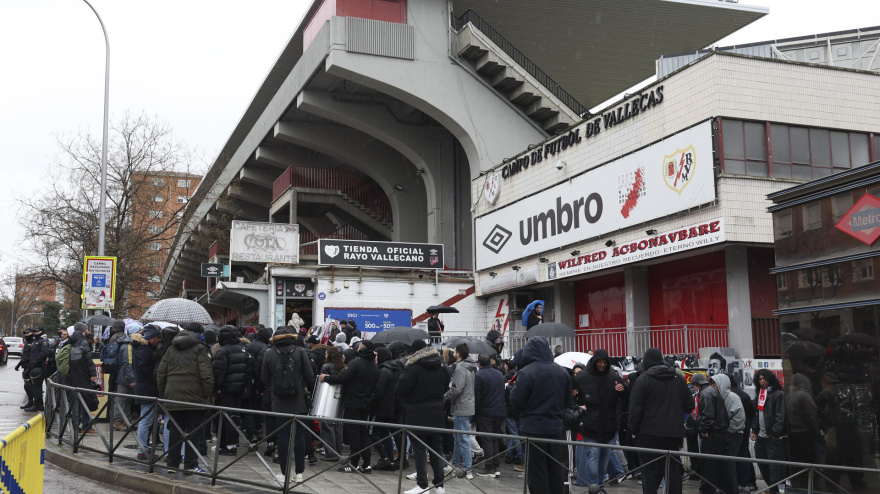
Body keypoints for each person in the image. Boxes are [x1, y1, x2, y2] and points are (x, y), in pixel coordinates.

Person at [510, 336, 572, 494]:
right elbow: (567, 402)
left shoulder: (526, 373)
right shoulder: (562, 372)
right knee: (555, 470)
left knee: (537, 474)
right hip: (555, 429)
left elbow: (516, 401)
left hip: (533, 429)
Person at [628, 348, 693, 494]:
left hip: (648, 434)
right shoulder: (678, 379)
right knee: (673, 471)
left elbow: (635, 410)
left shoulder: (643, 380)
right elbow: (690, 405)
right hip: (674, 435)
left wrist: (633, 430)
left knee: (650, 471)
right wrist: (678, 421)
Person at [261, 329, 315, 484]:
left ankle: (285, 473)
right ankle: (299, 474)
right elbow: (310, 376)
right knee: (299, 436)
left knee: (283, 437)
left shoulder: (269, 353)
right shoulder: (300, 351)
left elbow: (264, 378)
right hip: (299, 401)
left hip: (278, 401)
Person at [157, 328, 214, 474]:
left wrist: (164, 394)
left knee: (175, 430)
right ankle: (190, 465)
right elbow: (206, 374)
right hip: (194, 396)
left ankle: (172, 465)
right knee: (193, 432)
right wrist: (208, 395)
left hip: (172, 393)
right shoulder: (199, 348)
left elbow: (161, 372)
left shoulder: (171, 349)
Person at [398, 339, 450, 494]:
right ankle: (440, 486)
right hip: (437, 412)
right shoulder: (442, 366)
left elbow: (401, 389)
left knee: (419, 449)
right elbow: (447, 385)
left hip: (417, 412)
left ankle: (422, 485)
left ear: (414, 352)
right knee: (436, 449)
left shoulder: (413, 367)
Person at [319, 339, 379, 473]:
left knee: (353, 434)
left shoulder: (356, 363)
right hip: (366, 403)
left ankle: (354, 463)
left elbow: (342, 379)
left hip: (353, 402)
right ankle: (367, 463)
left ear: (361, 348)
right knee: (363, 432)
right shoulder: (374, 366)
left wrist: (326, 378)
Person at [573, 349, 627, 490]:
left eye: (604, 362)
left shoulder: (612, 377)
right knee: (593, 456)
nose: (602, 365)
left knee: (603, 460)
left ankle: (599, 484)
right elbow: (572, 396)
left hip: (608, 425)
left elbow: (625, 396)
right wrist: (579, 410)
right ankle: (594, 486)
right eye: (600, 362)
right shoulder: (582, 377)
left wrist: (623, 390)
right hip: (591, 425)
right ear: (595, 362)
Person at [212, 325, 254, 456]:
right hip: (239, 389)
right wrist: (243, 384)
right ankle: (230, 444)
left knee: (227, 417)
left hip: (226, 390)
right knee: (235, 416)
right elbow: (250, 369)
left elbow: (219, 372)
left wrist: (217, 388)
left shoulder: (223, 351)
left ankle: (229, 446)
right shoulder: (244, 349)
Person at [691, 373, 733, 494]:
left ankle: (706, 490)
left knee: (709, 465)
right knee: (719, 467)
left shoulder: (705, 394)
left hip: (713, 434)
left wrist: (703, 429)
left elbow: (708, 415)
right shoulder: (711, 391)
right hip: (719, 433)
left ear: (696, 384)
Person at [444, 343, 477, 479]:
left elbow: (457, 389)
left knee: (462, 438)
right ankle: (454, 463)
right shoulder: (470, 367)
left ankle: (467, 469)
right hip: (467, 406)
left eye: (454, 352)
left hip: (461, 408)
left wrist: (444, 397)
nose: (452, 354)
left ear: (458, 354)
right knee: (458, 437)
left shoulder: (460, 368)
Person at [751, 369, 787, 494]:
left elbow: (780, 415)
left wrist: (776, 433)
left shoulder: (778, 393)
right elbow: (757, 413)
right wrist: (754, 429)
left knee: (774, 467)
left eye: (764, 379)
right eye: (760, 379)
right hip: (761, 435)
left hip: (772, 436)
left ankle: (775, 489)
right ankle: (772, 488)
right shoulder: (760, 392)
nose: (762, 381)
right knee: (761, 463)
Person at [473, 353, 506, 478]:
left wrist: (476, 411)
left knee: (487, 439)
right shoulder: (499, 374)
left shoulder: (479, 375)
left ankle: (489, 467)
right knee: (494, 439)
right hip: (500, 411)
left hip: (486, 411)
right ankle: (496, 466)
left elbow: (477, 395)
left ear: (479, 364)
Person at [133, 325, 162, 460]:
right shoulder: (144, 351)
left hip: (146, 388)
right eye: (157, 337)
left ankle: (143, 449)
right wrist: (153, 378)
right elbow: (143, 369)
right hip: (147, 389)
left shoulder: (146, 349)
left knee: (146, 420)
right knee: (145, 421)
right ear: (151, 338)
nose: (159, 339)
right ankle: (142, 450)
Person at [713, 373, 745, 494]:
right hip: (724, 433)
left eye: (715, 384)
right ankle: (724, 488)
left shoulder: (732, 397)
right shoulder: (718, 396)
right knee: (722, 463)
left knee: (729, 462)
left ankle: (732, 489)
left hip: (734, 434)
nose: (713, 386)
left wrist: (726, 429)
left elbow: (739, 419)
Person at [369, 347, 400, 470]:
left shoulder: (383, 371)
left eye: (377, 355)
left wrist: (370, 404)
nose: (375, 358)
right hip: (390, 408)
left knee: (373, 432)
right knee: (385, 433)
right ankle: (390, 460)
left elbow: (378, 391)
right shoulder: (394, 370)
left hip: (380, 408)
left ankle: (384, 457)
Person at [245, 326, 273, 442]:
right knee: (258, 408)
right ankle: (256, 430)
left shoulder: (249, 346)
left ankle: (251, 431)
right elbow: (261, 369)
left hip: (247, 381)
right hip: (260, 383)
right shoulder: (265, 348)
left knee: (248, 407)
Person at [318, 346, 345, 461]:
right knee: (337, 426)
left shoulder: (326, 366)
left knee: (326, 425)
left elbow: (322, 381)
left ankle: (330, 453)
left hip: (327, 399)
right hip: (339, 399)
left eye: (326, 353)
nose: (325, 355)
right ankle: (337, 452)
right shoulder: (343, 367)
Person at [22, 327, 51, 412]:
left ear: (42, 332)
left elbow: (44, 353)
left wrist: (35, 361)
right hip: (33, 366)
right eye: (35, 331)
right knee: (33, 386)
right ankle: (36, 404)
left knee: (37, 387)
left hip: (39, 367)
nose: (36, 332)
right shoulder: (35, 341)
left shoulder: (43, 341)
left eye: (37, 331)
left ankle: (38, 405)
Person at [112, 329, 136, 431]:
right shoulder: (127, 346)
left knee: (126, 400)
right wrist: (132, 379)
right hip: (125, 377)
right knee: (121, 399)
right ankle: (118, 421)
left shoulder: (127, 344)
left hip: (125, 376)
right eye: (139, 331)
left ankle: (126, 420)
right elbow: (127, 364)